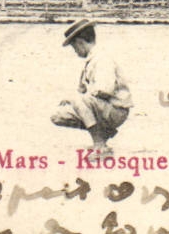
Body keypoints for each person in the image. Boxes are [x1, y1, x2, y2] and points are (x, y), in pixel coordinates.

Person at [51, 18, 130, 153]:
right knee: (59, 115)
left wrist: (78, 99)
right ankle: (103, 134)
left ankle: (99, 144)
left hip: (116, 110)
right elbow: (83, 91)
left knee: (76, 100)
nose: (75, 51)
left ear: (80, 43)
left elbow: (105, 89)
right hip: (104, 108)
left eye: (74, 46)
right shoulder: (91, 60)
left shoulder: (102, 59)